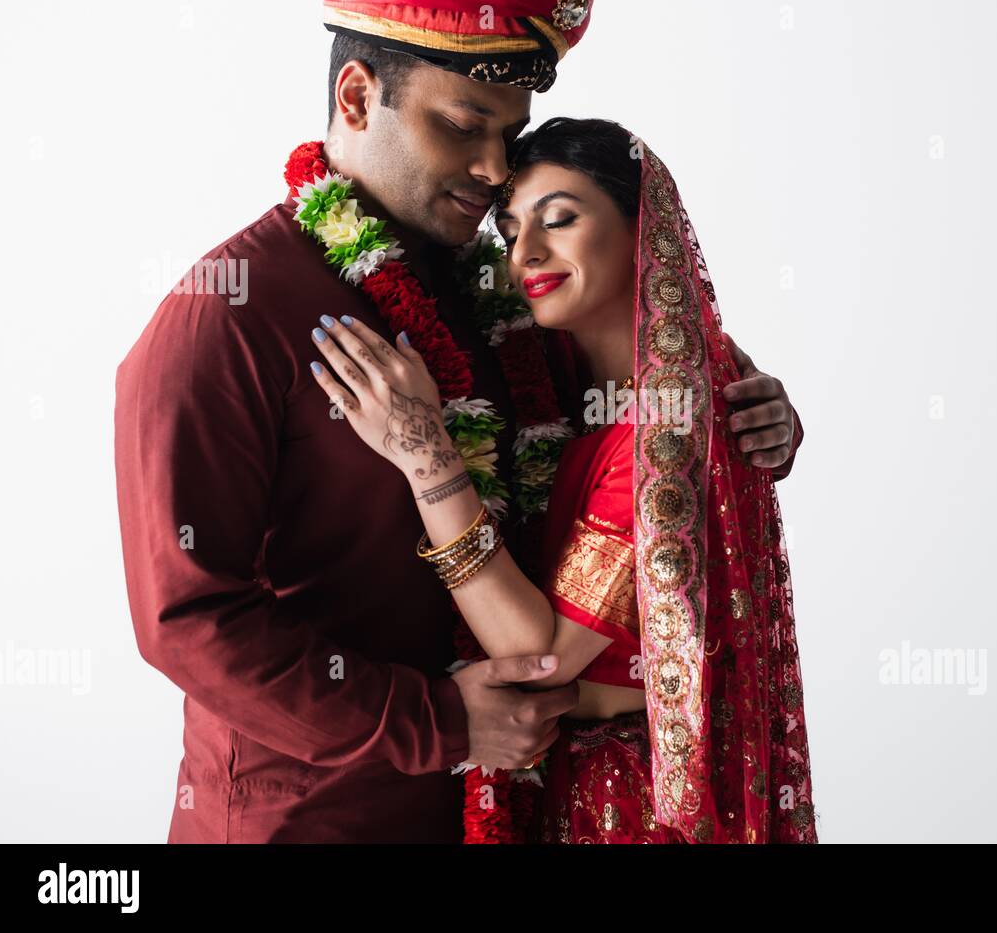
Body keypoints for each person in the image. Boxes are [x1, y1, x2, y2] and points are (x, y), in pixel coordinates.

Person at [114, 0, 804, 842]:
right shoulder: (228, 314)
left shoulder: (499, 295)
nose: (491, 169)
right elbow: (188, 620)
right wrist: (441, 721)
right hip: (309, 821)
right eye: (462, 124)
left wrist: (753, 413)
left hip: (511, 812)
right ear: (358, 96)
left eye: (508, 136)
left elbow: (637, 406)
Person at [306, 118, 817, 842]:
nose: (526, 255)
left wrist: (427, 458)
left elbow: (540, 657)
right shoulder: (588, 379)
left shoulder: (661, 422)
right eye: (511, 230)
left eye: (560, 219)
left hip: (626, 805)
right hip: (577, 782)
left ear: (648, 228)